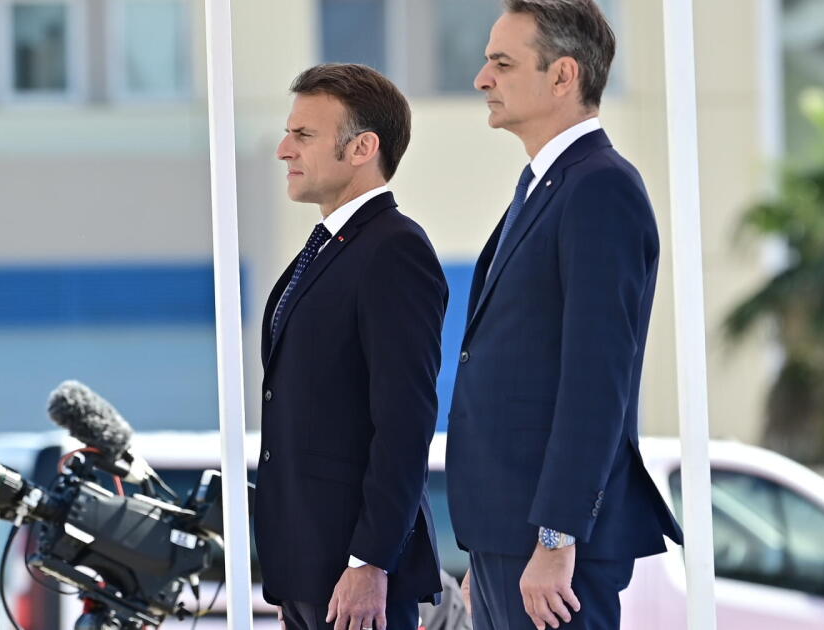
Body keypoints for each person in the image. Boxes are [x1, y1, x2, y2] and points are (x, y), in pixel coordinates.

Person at [445, 2, 684, 629]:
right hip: (508, 542)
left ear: (563, 75)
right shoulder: (542, 186)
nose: (482, 78)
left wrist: (556, 537)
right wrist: (490, 550)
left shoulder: (601, 187)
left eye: (502, 63)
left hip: (551, 550)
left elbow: (596, 380)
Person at [254, 63, 448, 630]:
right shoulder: (328, 246)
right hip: (309, 568)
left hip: (355, 577)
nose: (284, 150)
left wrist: (370, 562)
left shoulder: (394, 249)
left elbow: (405, 421)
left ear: (363, 147)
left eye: (303, 135)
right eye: (288, 133)